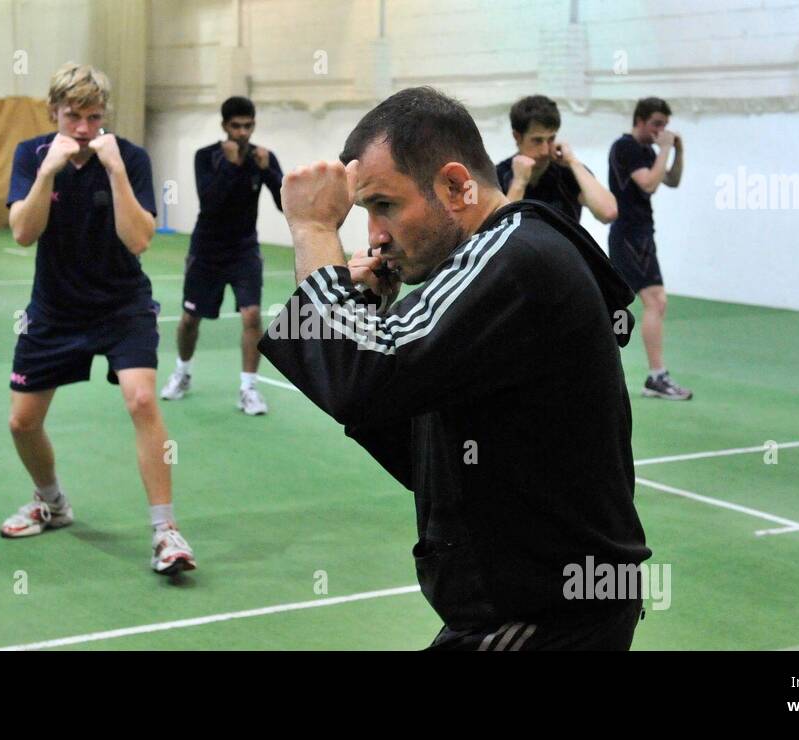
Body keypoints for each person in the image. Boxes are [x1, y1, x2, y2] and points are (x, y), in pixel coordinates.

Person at [259, 87, 651, 650]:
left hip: (547, 618)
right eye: (366, 212)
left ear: (452, 185)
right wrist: (368, 313)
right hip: (534, 611)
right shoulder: (498, 258)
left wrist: (314, 232)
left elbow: (359, 381)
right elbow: (425, 454)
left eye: (385, 205)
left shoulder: (515, 256)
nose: (375, 235)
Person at [0, 62, 195, 575]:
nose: (84, 129)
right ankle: (51, 502)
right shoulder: (31, 154)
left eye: (93, 116)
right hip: (54, 310)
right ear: (54, 112)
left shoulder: (129, 157)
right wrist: (47, 173)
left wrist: (115, 171)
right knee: (22, 422)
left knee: (143, 398)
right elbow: (22, 232)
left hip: (121, 305)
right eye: (73, 117)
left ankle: (165, 531)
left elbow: (140, 239)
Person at [160, 96, 283, 415]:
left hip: (244, 251)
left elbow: (285, 203)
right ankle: (182, 373)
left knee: (252, 315)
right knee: (189, 319)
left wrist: (269, 172)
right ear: (224, 126)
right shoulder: (207, 157)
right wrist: (230, 165)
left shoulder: (263, 158)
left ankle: (249, 388)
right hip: (207, 251)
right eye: (236, 126)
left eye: (248, 125)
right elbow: (210, 203)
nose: (243, 132)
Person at [607, 96, 691, 400]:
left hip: (641, 234)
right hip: (630, 235)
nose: (661, 130)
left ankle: (654, 377)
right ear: (640, 121)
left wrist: (677, 151)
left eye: (665, 125)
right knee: (655, 302)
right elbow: (650, 184)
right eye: (656, 124)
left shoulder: (645, 150)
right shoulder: (626, 147)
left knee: (645, 302)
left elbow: (672, 179)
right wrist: (665, 147)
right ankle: (656, 377)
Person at [496, 95, 617, 225]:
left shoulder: (567, 172)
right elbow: (496, 233)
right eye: (537, 140)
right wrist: (519, 183)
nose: (545, 150)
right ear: (517, 137)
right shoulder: (497, 175)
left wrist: (573, 162)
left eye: (551, 139)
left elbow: (608, 213)